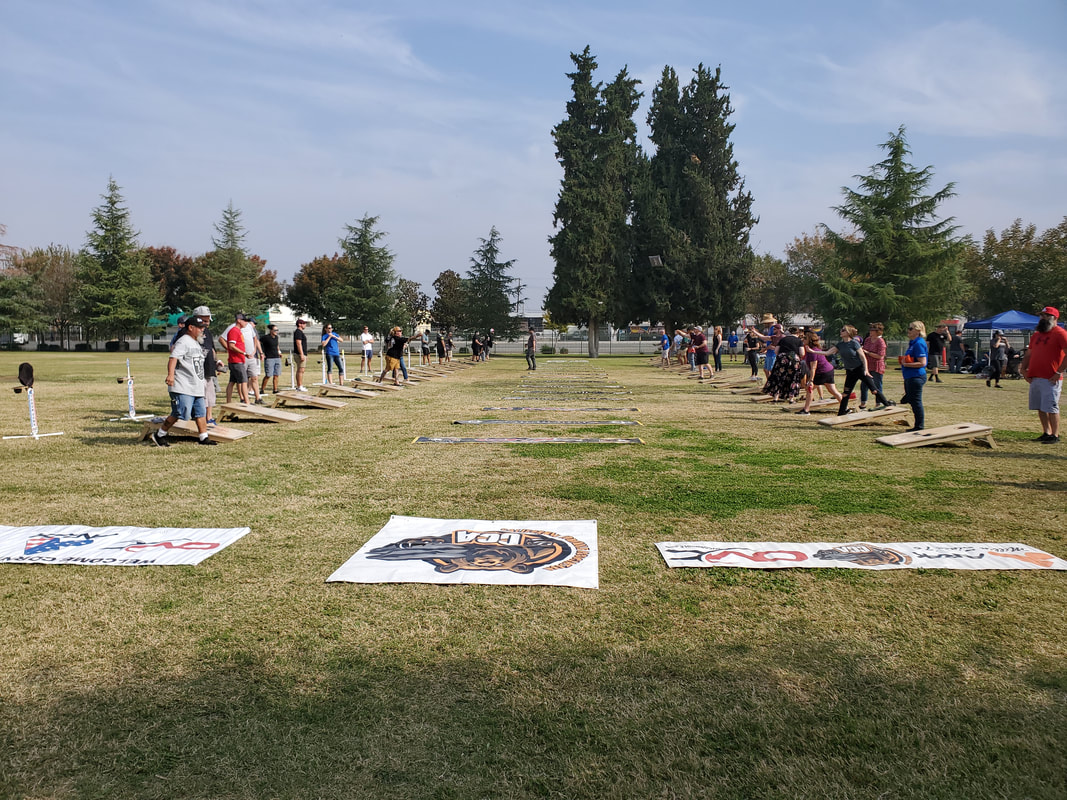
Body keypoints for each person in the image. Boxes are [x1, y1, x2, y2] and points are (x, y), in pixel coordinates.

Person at [151, 315, 216, 447]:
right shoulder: (183, 341)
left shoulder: (196, 342)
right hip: (183, 384)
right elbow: (173, 358)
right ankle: (160, 434)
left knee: (200, 412)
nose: (202, 330)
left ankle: (203, 437)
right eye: (199, 328)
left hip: (196, 384)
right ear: (191, 328)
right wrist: (170, 375)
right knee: (180, 412)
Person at [810, 325, 894, 415]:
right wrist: (813, 351)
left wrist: (866, 370)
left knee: (873, 390)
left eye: (843, 330)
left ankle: (887, 404)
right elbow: (827, 353)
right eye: (841, 330)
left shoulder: (854, 343)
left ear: (848, 333)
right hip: (850, 371)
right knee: (846, 393)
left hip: (860, 369)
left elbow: (863, 357)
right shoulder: (840, 344)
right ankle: (842, 413)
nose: (841, 331)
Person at [1020, 306, 1067, 444]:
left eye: (1046, 316)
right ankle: (1046, 432)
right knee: (1040, 406)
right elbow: (1029, 353)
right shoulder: (1037, 335)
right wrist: (1023, 369)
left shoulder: (1060, 333)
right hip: (1036, 376)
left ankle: (1055, 434)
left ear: (1055, 318)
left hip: (1051, 376)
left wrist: (1059, 372)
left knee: (1051, 406)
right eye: (1042, 316)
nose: (1043, 318)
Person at [796, 330, 843, 415]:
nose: (803, 339)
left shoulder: (813, 351)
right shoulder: (809, 350)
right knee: (832, 391)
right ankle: (845, 408)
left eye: (805, 338)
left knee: (810, 388)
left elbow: (813, 367)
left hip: (823, 372)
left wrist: (811, 380)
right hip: (826, 371)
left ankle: (806, 410)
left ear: (809, 340)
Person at [760, 325, 805, 402]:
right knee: (793, 378)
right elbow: (802, 353)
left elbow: (776, 351)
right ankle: (791, 398)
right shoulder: (799, 341)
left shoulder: (783, 340)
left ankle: (776, 397)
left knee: (779, 378)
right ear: (797, 333)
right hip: (794, 360)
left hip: (782, 359)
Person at [190, 305, 219, 426]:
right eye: (204, 320)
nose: (207, 323)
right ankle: (198, 416)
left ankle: (209, 417)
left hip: (208, 368)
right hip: (196, 368)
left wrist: (216, 362)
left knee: (210, 393)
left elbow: (211, 348)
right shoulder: (188, 331)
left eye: (208, 320)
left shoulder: (207, 332)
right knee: (199, 394)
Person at [899, 321, 928, 431]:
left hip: (916, 376)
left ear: (918, 330)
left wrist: (906, 364)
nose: (908, 331)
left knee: (916, 402)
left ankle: (919, 426)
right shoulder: (913, 343)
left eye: (911, 329)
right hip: (909, 376)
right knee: (912, 400)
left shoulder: (919, 343)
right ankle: (907, 397)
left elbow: (922, 363)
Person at [221, 313, 250, 404]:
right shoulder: (234, 331)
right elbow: (231, 346)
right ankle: (247, 401)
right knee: (244, 381)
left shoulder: (238, 331)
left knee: (232, 381)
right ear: (239, 320)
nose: (246, 323)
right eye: (245, 320)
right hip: (236, 361)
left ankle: (228, 402)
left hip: (237, 360)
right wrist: (244, 353)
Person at [859, 322, 887, 410]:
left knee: (877, 385)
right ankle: (863, 403)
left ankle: (878, 403)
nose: (870, 331)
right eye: (870, 330)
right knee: (864, 384)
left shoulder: (881, 342)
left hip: (877, 366)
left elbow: (880, 356)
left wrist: (868, 353)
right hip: (867, 365)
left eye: (873, 330)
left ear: (878, 331)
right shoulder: (867, 339)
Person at [241, 317, 264, 402]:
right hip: (243, 356)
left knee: (254, 377)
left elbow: (256, 340)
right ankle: (243, 397)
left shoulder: (252, 329)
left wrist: (258, 352)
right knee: (243, 379)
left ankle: (258, 398)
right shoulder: (238, 329)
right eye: (253, 323)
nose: (254, 325)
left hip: (252, 356)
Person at [259, 323, 282, 395]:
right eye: (275, 330)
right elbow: (258, 343)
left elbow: (277, 345)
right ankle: (262, 389)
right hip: (269, 358)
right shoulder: (265, 338)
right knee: (268, 375)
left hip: (277, 357)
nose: (276, 331)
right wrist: (261, 352)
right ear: (271, 330)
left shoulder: (276, 337)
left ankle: (275, 389)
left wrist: (279, 352)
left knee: (276, 374)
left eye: (277, 330)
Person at [293, 318, 308, 391]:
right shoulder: (298, 332)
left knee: (301, 369)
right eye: (303, 323)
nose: (305, 325)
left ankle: (300, 385)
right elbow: (298, 343)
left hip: (302, 353)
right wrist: (301, 354)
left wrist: (305, 355)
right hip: (299, 354)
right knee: (301, 370)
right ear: (299, 324)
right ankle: (299, 386)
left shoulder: (300, 332)